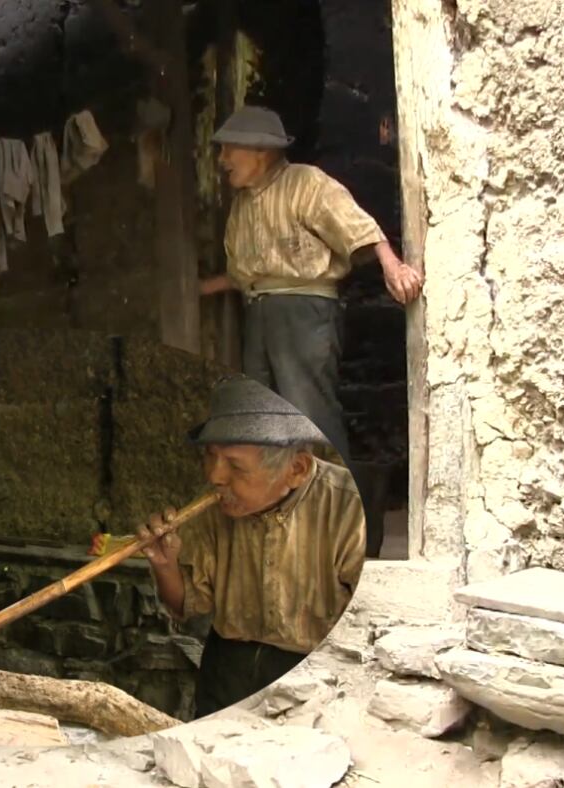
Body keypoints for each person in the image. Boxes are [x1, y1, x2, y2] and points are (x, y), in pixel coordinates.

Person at [199, 105, 424, 463]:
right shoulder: (242, 204)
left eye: (229, 148)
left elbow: (357, 226)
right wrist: (199, 290)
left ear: (262, 150)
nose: (222, 159)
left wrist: (392, 266)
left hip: (303, 314)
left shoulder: (306, 183)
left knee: (309, 413)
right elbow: (248, 272)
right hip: (260, 313)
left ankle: (342, 506)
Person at [138, 376, 366, 719]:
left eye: (235, 465)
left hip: (314, 671)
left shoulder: (348, 510)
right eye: (210, 456)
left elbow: (363, 630)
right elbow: (186, 604)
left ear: (297, 469)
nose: (215, 476)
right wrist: (165, 565)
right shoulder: (218, 507)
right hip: (228, 668)